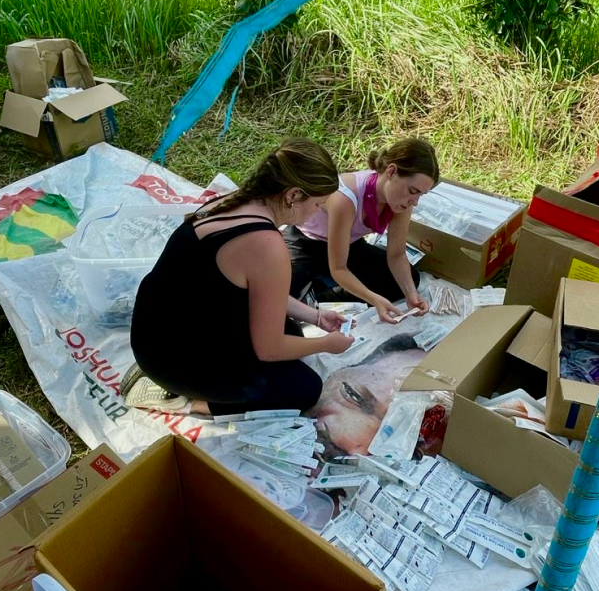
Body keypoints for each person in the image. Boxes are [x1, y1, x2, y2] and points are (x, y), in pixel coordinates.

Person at [123, 138, 354, 417]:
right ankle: (183, 401)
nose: (318, 211)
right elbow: (268, 349)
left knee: (291, 332)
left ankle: (173, 374)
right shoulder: (266, 245)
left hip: (161, 328)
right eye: (318, 204)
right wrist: (326, 345)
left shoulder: (232, 201)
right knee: (304, 389)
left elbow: (263, 291)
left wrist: (315, 316)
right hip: (170, 358)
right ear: (293, 195)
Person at [284, 137, 439, 324]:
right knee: (278, 298)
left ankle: (323, 293)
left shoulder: (401, 202)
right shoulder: (346, 199)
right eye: (413, 191)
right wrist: (374, 299)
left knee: (409, 280)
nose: (414, 201)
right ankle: (314, 296)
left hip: (349, 243)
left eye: (421, 195)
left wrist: (411, 295)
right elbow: (339, 268)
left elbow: (397, 254)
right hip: (307, 242)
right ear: (391, 171)